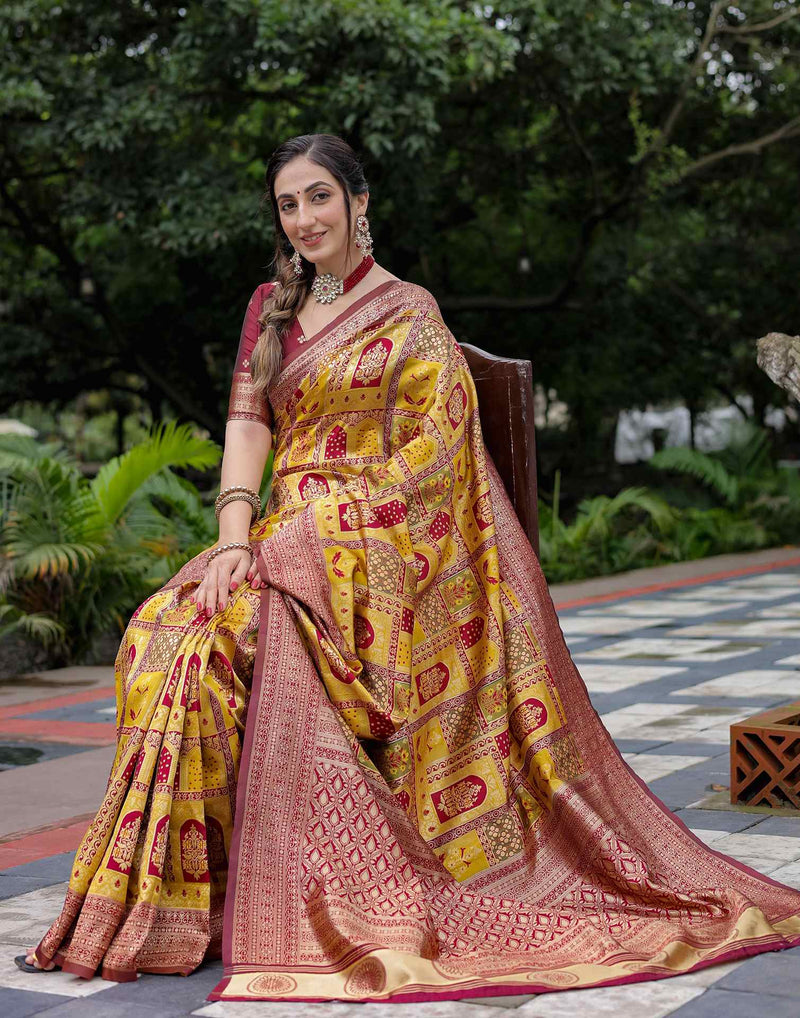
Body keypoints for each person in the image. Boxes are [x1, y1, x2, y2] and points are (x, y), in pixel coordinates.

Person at [18, 133, 800, 1003]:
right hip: (278, 534)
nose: (305, 218)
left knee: (227, 643)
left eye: (320, 197)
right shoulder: (270, 309)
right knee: (162, 636)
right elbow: (248, 425)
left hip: (377, 546)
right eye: (288, 204)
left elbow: (437, 453)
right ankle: (184, 904)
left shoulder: (411, 311)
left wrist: (332, 527)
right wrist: (236, 539)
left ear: (360, 203)